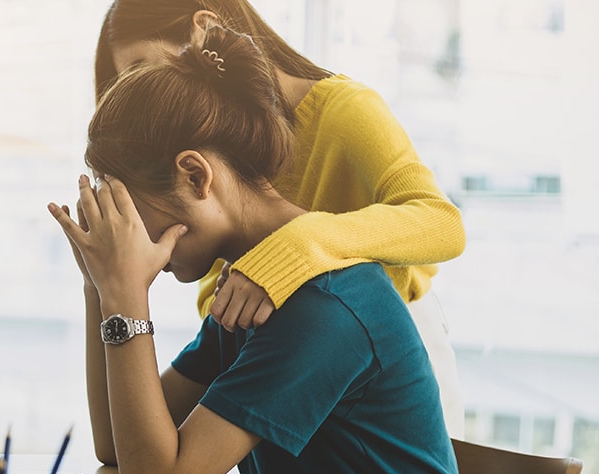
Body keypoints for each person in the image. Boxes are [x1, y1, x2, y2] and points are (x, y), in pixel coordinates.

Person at [48, 25, 465, 474]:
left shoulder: (319, 306)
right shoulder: (252, 286)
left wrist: (126, 296)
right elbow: (120, 450)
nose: (128, 237)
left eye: (128, 210)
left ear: (196, 176)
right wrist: (100, 285)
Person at [94, 0, 467, 437]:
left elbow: (442, 222)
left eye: (140, 69)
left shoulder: (344, 112)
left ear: (204, 29)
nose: (140, 96)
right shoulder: (212, 164)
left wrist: (297, 244)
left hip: (382, 365)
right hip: (282, 353)